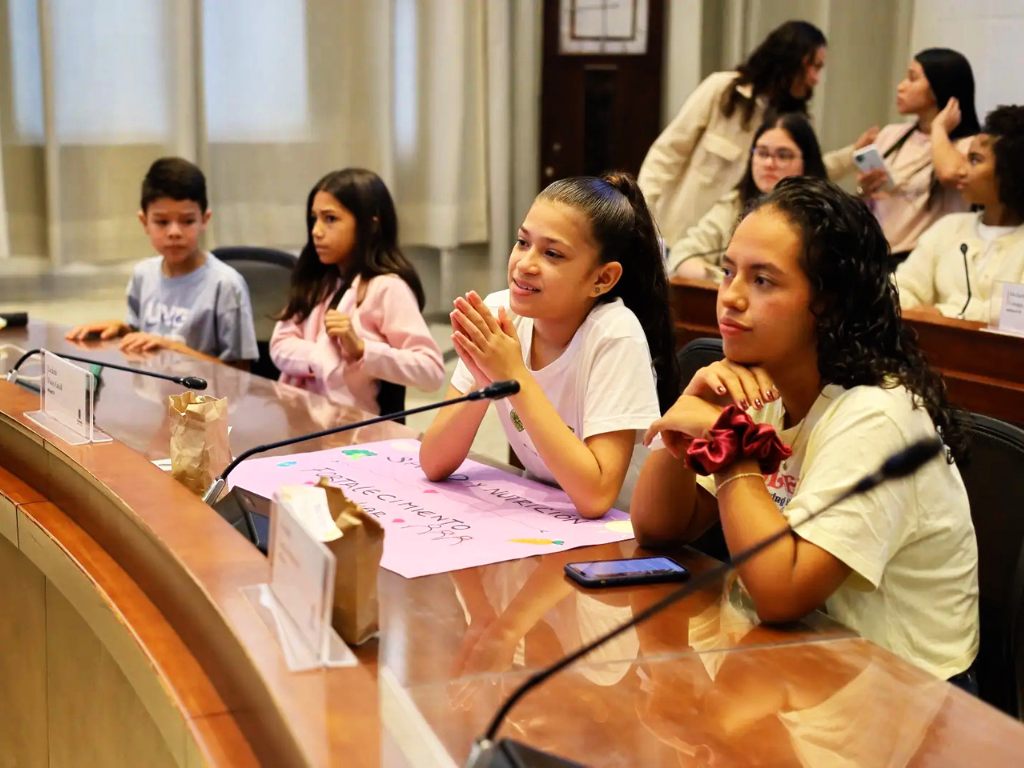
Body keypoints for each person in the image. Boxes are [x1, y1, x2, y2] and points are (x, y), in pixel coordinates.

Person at [631, 176, 979, 685]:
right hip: (796, 660)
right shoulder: (764, 384)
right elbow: (659, 528)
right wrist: (692, 408)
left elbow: (781, 593)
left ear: (829, 302)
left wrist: (731, 451)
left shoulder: (876, 416)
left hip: (901, 694)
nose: (730, 298)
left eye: (763, 281)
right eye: (728, 272)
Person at [419, 173, 679, 518]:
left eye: (552, 254)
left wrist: (514, 375)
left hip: (620, 534)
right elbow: (434, 462)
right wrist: (485, 379)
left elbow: (597, 497)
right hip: (545, 515)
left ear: (602, 279)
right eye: (523, 242)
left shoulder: (615, 335)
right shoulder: (500, 315)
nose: (525, 265)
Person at [638, 20, 876, 247]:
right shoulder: (723, 90)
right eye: (814, 66)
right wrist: (640, 214)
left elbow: (807, 170)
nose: (815, 79)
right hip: (679, 237)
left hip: (737, 244)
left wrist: (853, 156)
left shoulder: (791, 119)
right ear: (791, 60)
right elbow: (668, 154)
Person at [269, 169, 444, 415]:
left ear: (369, 226)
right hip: (300, 419)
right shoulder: (317, 280)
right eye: (314, 219)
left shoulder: (387, 287)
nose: (316, 231)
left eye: (330, 219)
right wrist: (323, 357)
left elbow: (431, 371)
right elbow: (280, 344)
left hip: (355, 436)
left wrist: (362, 349)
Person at [66, 158, 258, 366]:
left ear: (205, 221)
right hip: (152, 394)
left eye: (187, 221)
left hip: (202, 398)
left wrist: (173, 349)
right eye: (162, 222)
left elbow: (240, 374)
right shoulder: (143, 275)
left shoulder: (226, 285)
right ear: (144, 222)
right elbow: (142, 340)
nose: (174, 232)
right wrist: (123, 331)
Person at [896, 105, 1024, 321]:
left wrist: (944, 313)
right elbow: (903, 286)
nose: (961, 170)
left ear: (1010, 171)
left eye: (975, 160)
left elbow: (1015, 316)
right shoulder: (949, 227)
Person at [669, 111, 827, 279]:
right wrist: (727, 279)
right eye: (762, 153)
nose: (769, 163)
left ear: (807, 161)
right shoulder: (734, 204)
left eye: (783, 155)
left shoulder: (823, 217)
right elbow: (682, 254)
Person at [857, 48, 982, 260]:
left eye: (912, 78)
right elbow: (870, 206)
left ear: (939, 87)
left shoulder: (968, 146)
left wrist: (939, 129)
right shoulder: (891, 135)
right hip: (877, 256)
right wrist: (864, 190)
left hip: (925, 262)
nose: (901, 86)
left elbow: (950, 174)